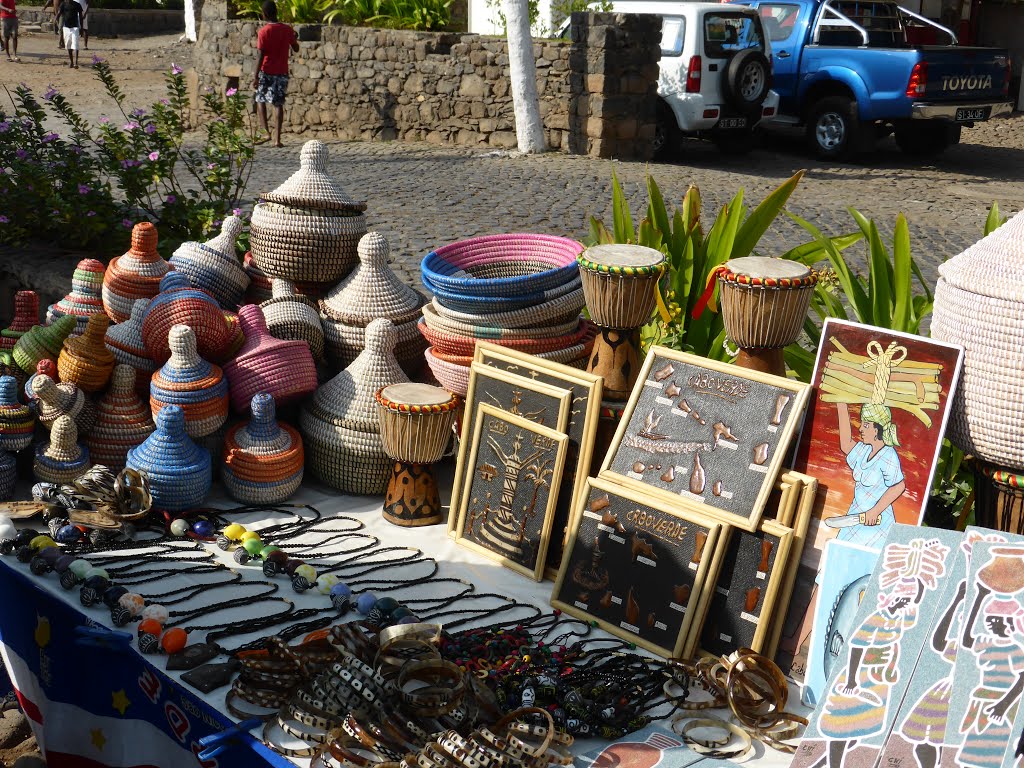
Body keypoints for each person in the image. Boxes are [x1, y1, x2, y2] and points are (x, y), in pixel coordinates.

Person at [834, 401, 907, 549]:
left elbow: (899, 486)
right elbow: (846, 444)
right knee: (840, 554)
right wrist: (841, 403)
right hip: (856, 516)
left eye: (866, 425)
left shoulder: (888, 454)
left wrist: (875, 511)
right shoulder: (863, 450)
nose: (860, 429)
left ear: (877, 430)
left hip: (878, 521)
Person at [253, 0, 298, 148]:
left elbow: (261, 55)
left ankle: (266, 132)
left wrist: (255, 76)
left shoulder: (263, 32)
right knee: (278, 104)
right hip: (282, 72)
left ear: (264, 14)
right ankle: (277, 139)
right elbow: (296, 48)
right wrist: (294, 38)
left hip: (266, 71)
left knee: (260, 99)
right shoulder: (287, 30)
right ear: (276, 12)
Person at [56, 0, 81, 68]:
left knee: (75, 44)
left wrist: (80, 27)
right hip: (66, 27)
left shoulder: (77, 5)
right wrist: (57, 23)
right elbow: (58, 14)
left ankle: (76, 62)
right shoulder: (63, 4)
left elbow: (80, 17)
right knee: (68, 45)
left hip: (75, 27)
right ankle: (71, 62)